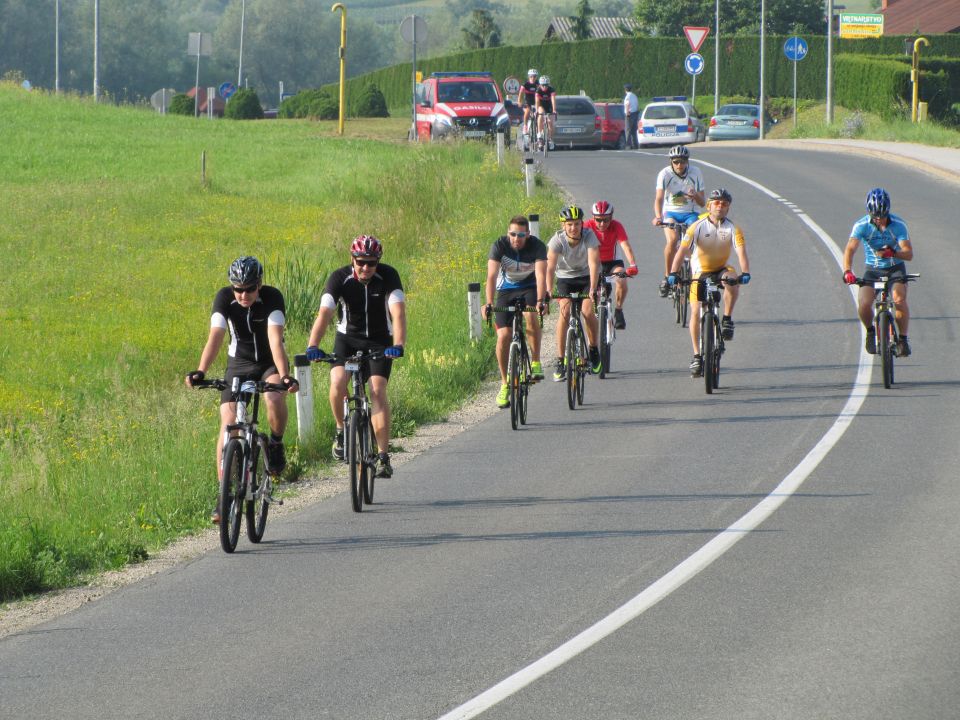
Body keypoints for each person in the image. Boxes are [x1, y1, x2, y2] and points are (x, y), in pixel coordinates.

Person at [185, 256, 299, 523]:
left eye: (249, 288)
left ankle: (276, 444)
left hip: (268, 362)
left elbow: (275, 339)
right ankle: (223, 495)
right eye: (238, 289)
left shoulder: (272, 298)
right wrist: (201, 370)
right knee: (228, 424)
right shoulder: (224, 298)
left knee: (272, 397)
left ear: (259, 284)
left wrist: (284, 376)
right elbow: (215, 336)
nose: (243, 294)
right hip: (238, 364)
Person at [306, 236, 407, 479]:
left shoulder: (388, 276)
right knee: (338, 380)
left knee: (377, 390)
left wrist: (398, 344)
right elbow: (325, 314)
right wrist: (313, 344)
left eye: (371, 263)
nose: (365, 268)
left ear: (378, 262)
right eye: (361, 262)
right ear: (352, 259)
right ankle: (341, 430)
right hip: (347, 340)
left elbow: (398, 313)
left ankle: (383, 456)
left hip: (380, 341)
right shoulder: (339, 278)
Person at [667, 188, 750, 377]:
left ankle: (727, 319)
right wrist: (673, 272)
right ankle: (697, 355)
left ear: (728, 208)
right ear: (709, 205)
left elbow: (741, 253)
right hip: (701, 271)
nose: (720, 207)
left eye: (725, 204)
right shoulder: (696, 226)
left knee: (732, 280)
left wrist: (745, 272)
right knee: (695, 311)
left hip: (721, 268)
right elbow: (681, 251)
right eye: (717, 203)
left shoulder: (733, 228)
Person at [482, 216, 549, 408]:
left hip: (530, 287)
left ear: (528, 234)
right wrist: (488, 302)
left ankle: (535, 361)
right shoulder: (499, 246)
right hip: (506, 289)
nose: (516, 239)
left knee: (530, 314)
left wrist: (540, 301)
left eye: (521, 235)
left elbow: (541, 275)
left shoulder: (537, 246)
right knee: (503, 336)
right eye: (513, 234)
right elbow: (492, 276)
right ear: (507, 233)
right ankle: (504, 383)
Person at [842, 187, 914, 357]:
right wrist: (847, 271)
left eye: (883, 216)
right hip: (873, 270)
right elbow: (850, 249)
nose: (880, 220)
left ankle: (902, 339)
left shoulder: (899, 225)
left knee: (898, 299)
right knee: (865, 303)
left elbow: (909, 254)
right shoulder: (861, 225)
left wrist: (894, 253)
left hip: (895, 267)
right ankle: (870, 331)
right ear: (870, 213)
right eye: (876, 216)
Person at [546, 205, 601, 379]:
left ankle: (593, 349)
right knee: (565, 312)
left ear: (581, 224)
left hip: (586, 278)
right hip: (565, 280)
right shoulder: (557, 240)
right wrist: (548, 290)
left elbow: (593, 264)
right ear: (563, 225)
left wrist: (592, 289)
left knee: (587, 311)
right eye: (569, 224)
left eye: (577, 224)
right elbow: (550, 267)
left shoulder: (589, 236)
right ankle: (561, 360)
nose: (573, 228)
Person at [652, 145, 706, 297]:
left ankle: (697, 275)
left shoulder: (696, 172)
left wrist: (695, 195)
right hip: (671, 213)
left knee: (695, 242)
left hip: (691, 213)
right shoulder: (664, 174)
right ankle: (667, 276)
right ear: (671, 162)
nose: (679, 165)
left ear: (687, 161)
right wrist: (658, 217)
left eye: (682, 161)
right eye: (676, 162)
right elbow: (659, 198)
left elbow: (702, 203)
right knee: (673, 240)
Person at [583, 200, 638, 329]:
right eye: (598, 220)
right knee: (591, 294)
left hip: (612, 262)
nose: (602, 224)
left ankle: (618, 309)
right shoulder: (587, 226)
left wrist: (632, 264)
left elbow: (625, 246)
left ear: (611, 218)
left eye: (606, 220)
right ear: (593, 218)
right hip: (593, 262)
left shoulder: (616, 226)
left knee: (622, 279)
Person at [518, 68, 540, 150]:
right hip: (528, 102)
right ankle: (525, 126)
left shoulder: (538, 84)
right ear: (528, 77)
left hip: (536, 102)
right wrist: (519, 101)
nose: (533, 78)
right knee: (527, 111)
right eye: (531, 76)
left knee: (539, 115)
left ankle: (539, 132)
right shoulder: (525, 84)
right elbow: (520, 93)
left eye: (534, 76)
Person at [535, 75, 557, 151]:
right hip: (541, 105)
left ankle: (550, 139)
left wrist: (554, 110)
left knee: (550, 122)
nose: (544, 87)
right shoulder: (538, 90)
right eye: (542, 85)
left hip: (549, 106)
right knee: (540, 114)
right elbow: (537, 102)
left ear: (548, 85)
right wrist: (537, 111)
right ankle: (539, 135)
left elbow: (553, 100)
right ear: (540, 85)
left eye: (546, 85)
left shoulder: (551, 90)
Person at [623, 83, 640, 150]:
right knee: (634, 130)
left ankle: (628, 145)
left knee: (628, 130)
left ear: (625, 90)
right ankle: (635, 145)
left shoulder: (627, 96)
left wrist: (627, 112)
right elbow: (637, 105)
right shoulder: (634, 96)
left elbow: (627, 104)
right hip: (635, 113)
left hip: (629, 114)